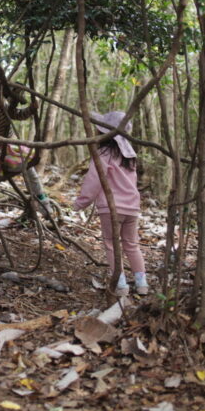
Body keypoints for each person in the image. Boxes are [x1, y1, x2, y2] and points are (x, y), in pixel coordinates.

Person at [73, 111, 149, 296]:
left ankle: (121, 284)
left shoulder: (104, 153)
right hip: (132, 207)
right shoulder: (129, 154)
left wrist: (81, 202)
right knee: (132, 244)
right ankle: (142, 283)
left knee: (111, 244)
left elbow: (94, 180)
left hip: (112, 208)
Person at [0, 84, 53, 217]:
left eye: (1, 95)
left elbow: (18, 114)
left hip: (13, 146)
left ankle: (41, 199)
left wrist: (31, 109)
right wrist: (1, 158)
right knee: (26, 169)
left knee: (30, 170)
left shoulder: (4, 106)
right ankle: (39, 199)